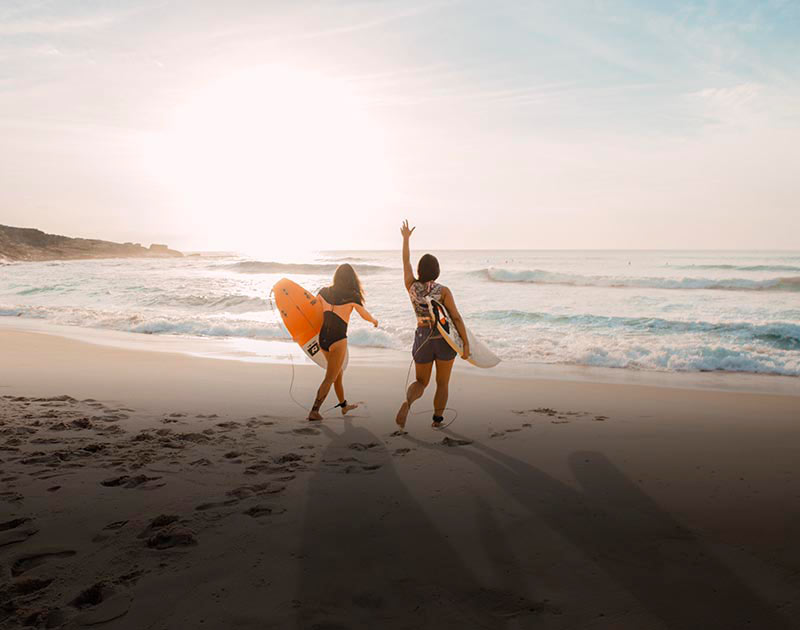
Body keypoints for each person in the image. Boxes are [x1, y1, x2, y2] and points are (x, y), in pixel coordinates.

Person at [396, 220, 469, 429]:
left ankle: (407, 403)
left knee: (421, 382)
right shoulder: (443, 290)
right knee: (442, 383)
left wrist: (406, 239)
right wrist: (466, 343)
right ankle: (437, 421)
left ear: (419, 270)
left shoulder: (411, 286)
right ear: (437, 271)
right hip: (443, 338)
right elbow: (455, 317)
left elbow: (405, 262)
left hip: (422, 337)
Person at [307, 264, 378, 421]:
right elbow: (364, 314)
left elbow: (311, 308)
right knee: (330, 377)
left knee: (337, 374)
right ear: (352, 278)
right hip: (338, 340)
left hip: (323, 339)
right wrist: (374, 321)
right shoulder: (352, 296)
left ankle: (344, 406)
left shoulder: (323, 291)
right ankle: (314, 410)